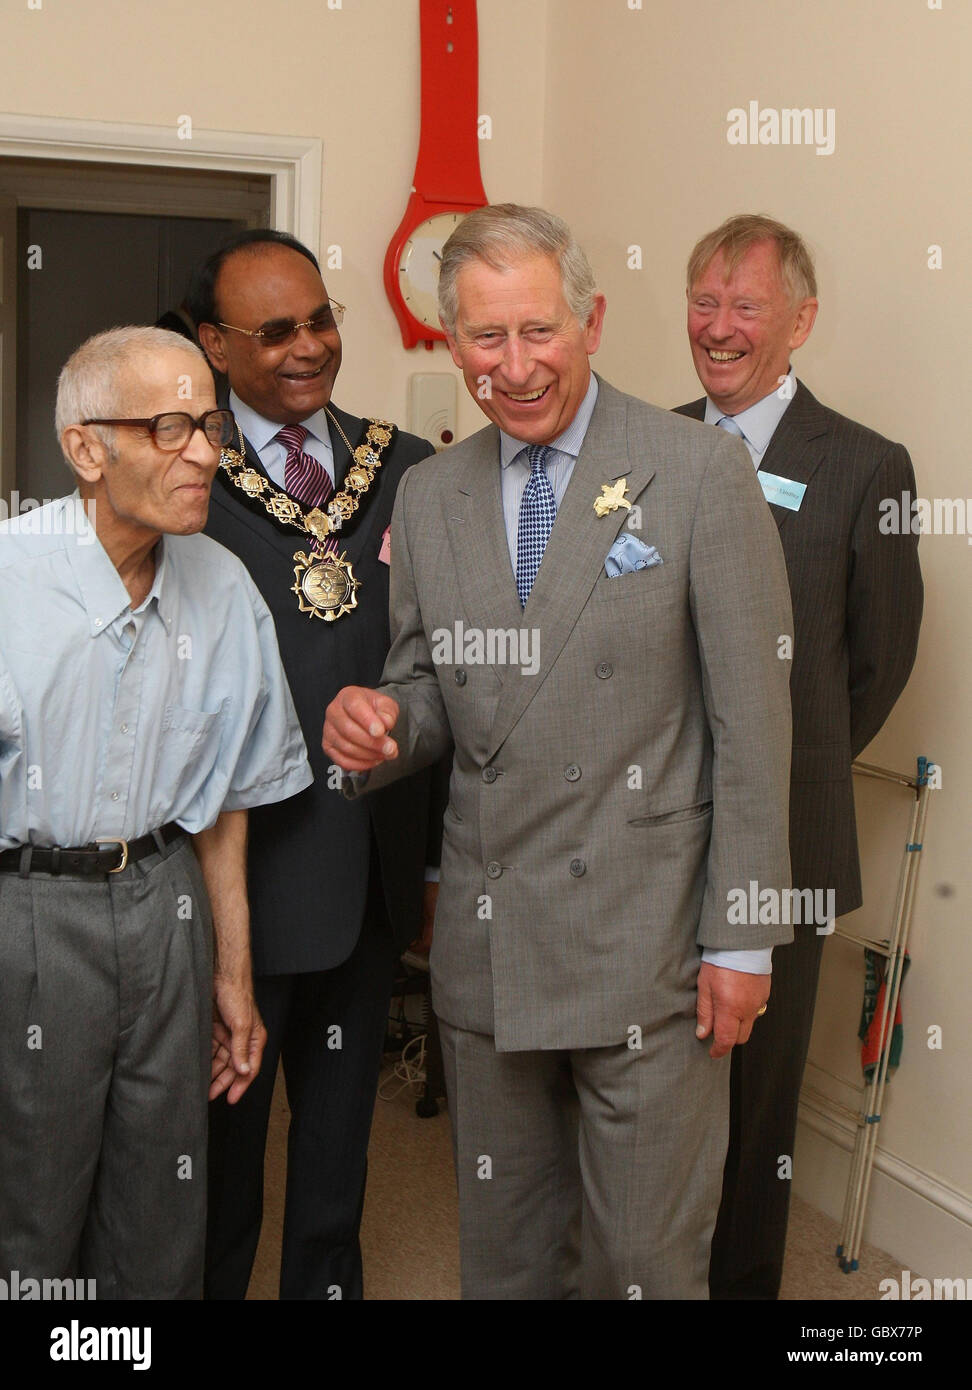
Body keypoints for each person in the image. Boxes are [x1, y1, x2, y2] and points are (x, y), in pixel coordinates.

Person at [323, 204, 794, 1300]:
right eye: (486, 339)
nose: (516, 365)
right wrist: (385, 727)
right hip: (491, 951)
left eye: (539, 331)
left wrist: (746, 941)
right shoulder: (429, 492)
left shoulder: (697, 470)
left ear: (590, 319)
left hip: (654, 943)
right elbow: (430, 687)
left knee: (642, 1260)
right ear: (452, 343)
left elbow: (753, 725)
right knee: (507, 1253)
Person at [0, 326, 312, 1299]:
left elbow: (224, 811)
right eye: (170, 426)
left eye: (210, 424)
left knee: (161, 1202)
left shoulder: (224, 589)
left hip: (168, 898)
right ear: (88, 448)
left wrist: (231, 973)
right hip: (30, 913)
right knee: (31, 1202)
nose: (204, 453)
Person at [188, 230, 444, 1301]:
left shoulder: (411, 469)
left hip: (371, 874)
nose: (308, 346)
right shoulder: (184, 473)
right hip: (237, 882)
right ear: (215, 344)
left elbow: (437, 664)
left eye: (322, 319)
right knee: (218, 1168)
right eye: (275, 329)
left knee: (338, 1167)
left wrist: (431, 865)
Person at [675, 213, 923, 1300]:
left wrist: (782, 767)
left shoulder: (868, 466)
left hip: (790, 834)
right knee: (648, 1082)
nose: (718, 329)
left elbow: (877, 663)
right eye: (704, 303)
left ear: (799, 321)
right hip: (647, 822)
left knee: (757, 1101)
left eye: (746, 308)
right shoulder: (648, 444)